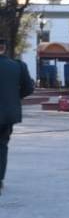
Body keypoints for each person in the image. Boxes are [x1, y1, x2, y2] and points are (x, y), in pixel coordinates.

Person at [0, 38, 35, 196]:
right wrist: (14, 97)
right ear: (4, 48)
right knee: (2, 145)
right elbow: (29, 88)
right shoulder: (18, 66)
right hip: (8, 113)